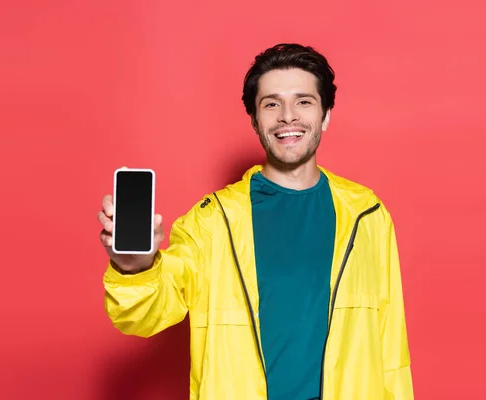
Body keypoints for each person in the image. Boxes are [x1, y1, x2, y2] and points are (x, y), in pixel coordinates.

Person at [98, 43, 413, 400]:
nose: (288, 116)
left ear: (325, 115)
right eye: (272, 103)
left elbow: (392, 351)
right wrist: (134, 267)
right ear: (254, 119)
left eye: (304, 101)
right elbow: (144, 315)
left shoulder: (367, 214)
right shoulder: (211, 221)